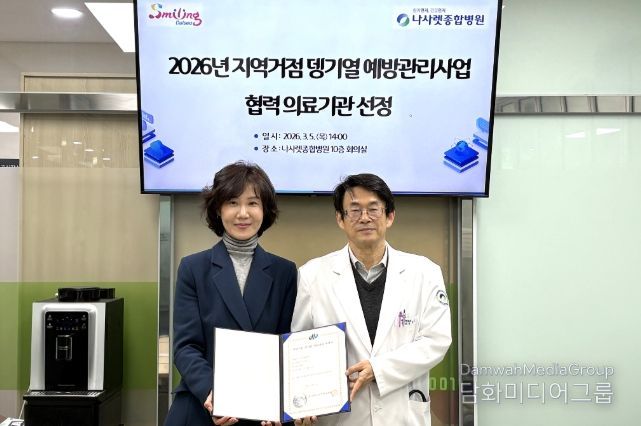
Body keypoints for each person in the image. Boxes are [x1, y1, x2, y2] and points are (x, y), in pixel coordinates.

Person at [291, 173, 452, 426]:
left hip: (401, 415)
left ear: (390, 216)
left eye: (374, 209)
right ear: (340, 219)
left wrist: (378, 369)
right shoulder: (312, 275)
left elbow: (436, 341)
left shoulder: (425, 272)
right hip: (342, 418)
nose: (364, 218)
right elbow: (299, 345)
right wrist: (302, 400)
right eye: (354, 210)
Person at [165, 161, 297, 426]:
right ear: (218, 209)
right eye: (233, 202)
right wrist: (212, 393)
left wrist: (283, 400)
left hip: (263, 410)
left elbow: (288, 346)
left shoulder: (285, 272)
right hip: (203, 403)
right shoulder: (193, 268)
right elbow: (186, 347)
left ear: (265, 210)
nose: (243, 213)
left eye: (253, 203)